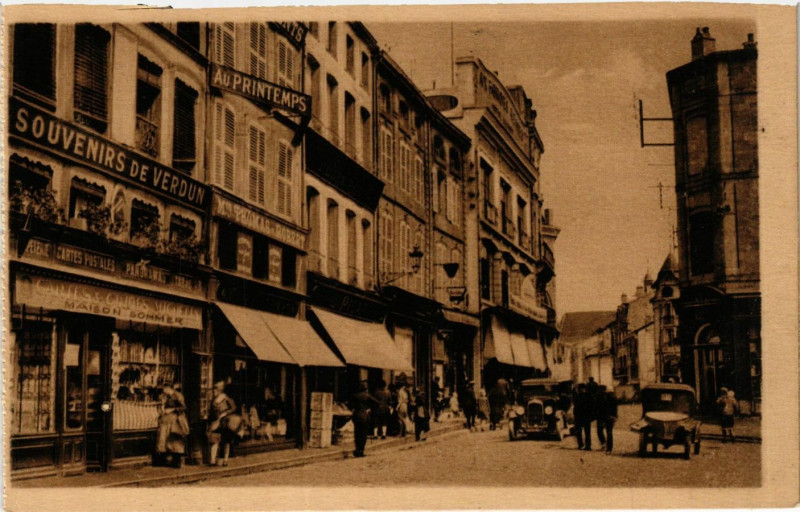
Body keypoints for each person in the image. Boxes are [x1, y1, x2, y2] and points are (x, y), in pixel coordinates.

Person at [207, 380, 242, 466]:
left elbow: (234, 408)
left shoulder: (226, 399)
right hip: (216, 422)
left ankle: (225, 460)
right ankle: (212, 460)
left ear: (219, 391)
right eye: (213, 391)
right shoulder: (214, 401)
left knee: (226, 441)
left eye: (215, 391)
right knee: (214, 441)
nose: (213, 392)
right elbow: (211, 412)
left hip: (226, 422)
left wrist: (225, 413)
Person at [155, 382, 189, 468]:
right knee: (165, 440)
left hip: (175, 421)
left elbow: (184, 407)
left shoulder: (178, 395)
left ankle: (176, 461)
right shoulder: (166, 397)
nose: (164, 391)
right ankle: (167, 460)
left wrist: (172, 410)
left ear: (169, 388)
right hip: (166, 421)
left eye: (165, 389)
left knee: (175, 440)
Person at [349, 381, 380, 457]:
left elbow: (350, 405)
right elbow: (377, 403)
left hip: (356, 415)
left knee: (357, 434)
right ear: (365, 389)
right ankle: (361, 451)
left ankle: (357, 449)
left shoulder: (355, 396)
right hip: (364, 416)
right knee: (363, 434)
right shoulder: (367, 396)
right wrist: (369, 408)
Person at [595, 389, 618, 454]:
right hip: (607, 417)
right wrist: (615, 416)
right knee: (608, 432)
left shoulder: (606, 398)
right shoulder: (602, 398)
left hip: (606, 417)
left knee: (606, 432)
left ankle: (607, 446)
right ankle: (608, 448)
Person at [573, 384, 594, 450]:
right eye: (580, 389)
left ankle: (586, 445)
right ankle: (582, 445)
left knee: (586, 432)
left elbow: (591, 407)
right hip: (580, 416)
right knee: (580, 431)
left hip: (584, 416)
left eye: (581, 388)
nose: (580, 390)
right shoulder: (578, 396)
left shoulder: (587, 396)